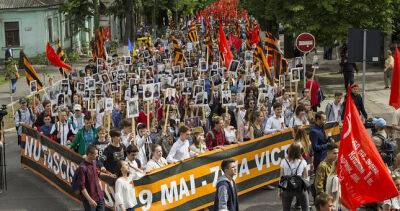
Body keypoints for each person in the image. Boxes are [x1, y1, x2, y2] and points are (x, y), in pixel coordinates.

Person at [278, 143, 309, 211]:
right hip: (300, 188)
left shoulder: (283, 162)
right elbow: (306, 177)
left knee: (286, 209)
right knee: (305, 208)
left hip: (287, 188)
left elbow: (281, 177)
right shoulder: (303, 162)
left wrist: (279, 191)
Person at [75, 145, 105, 211]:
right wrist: (90, 200)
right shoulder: (82, 168)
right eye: (96, 154)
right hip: (90, 200)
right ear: (90, 154)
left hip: (100, 197)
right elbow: (82, 187)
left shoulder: (94, 162)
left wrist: (101, 190)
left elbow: (96, 175)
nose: (97, 155)